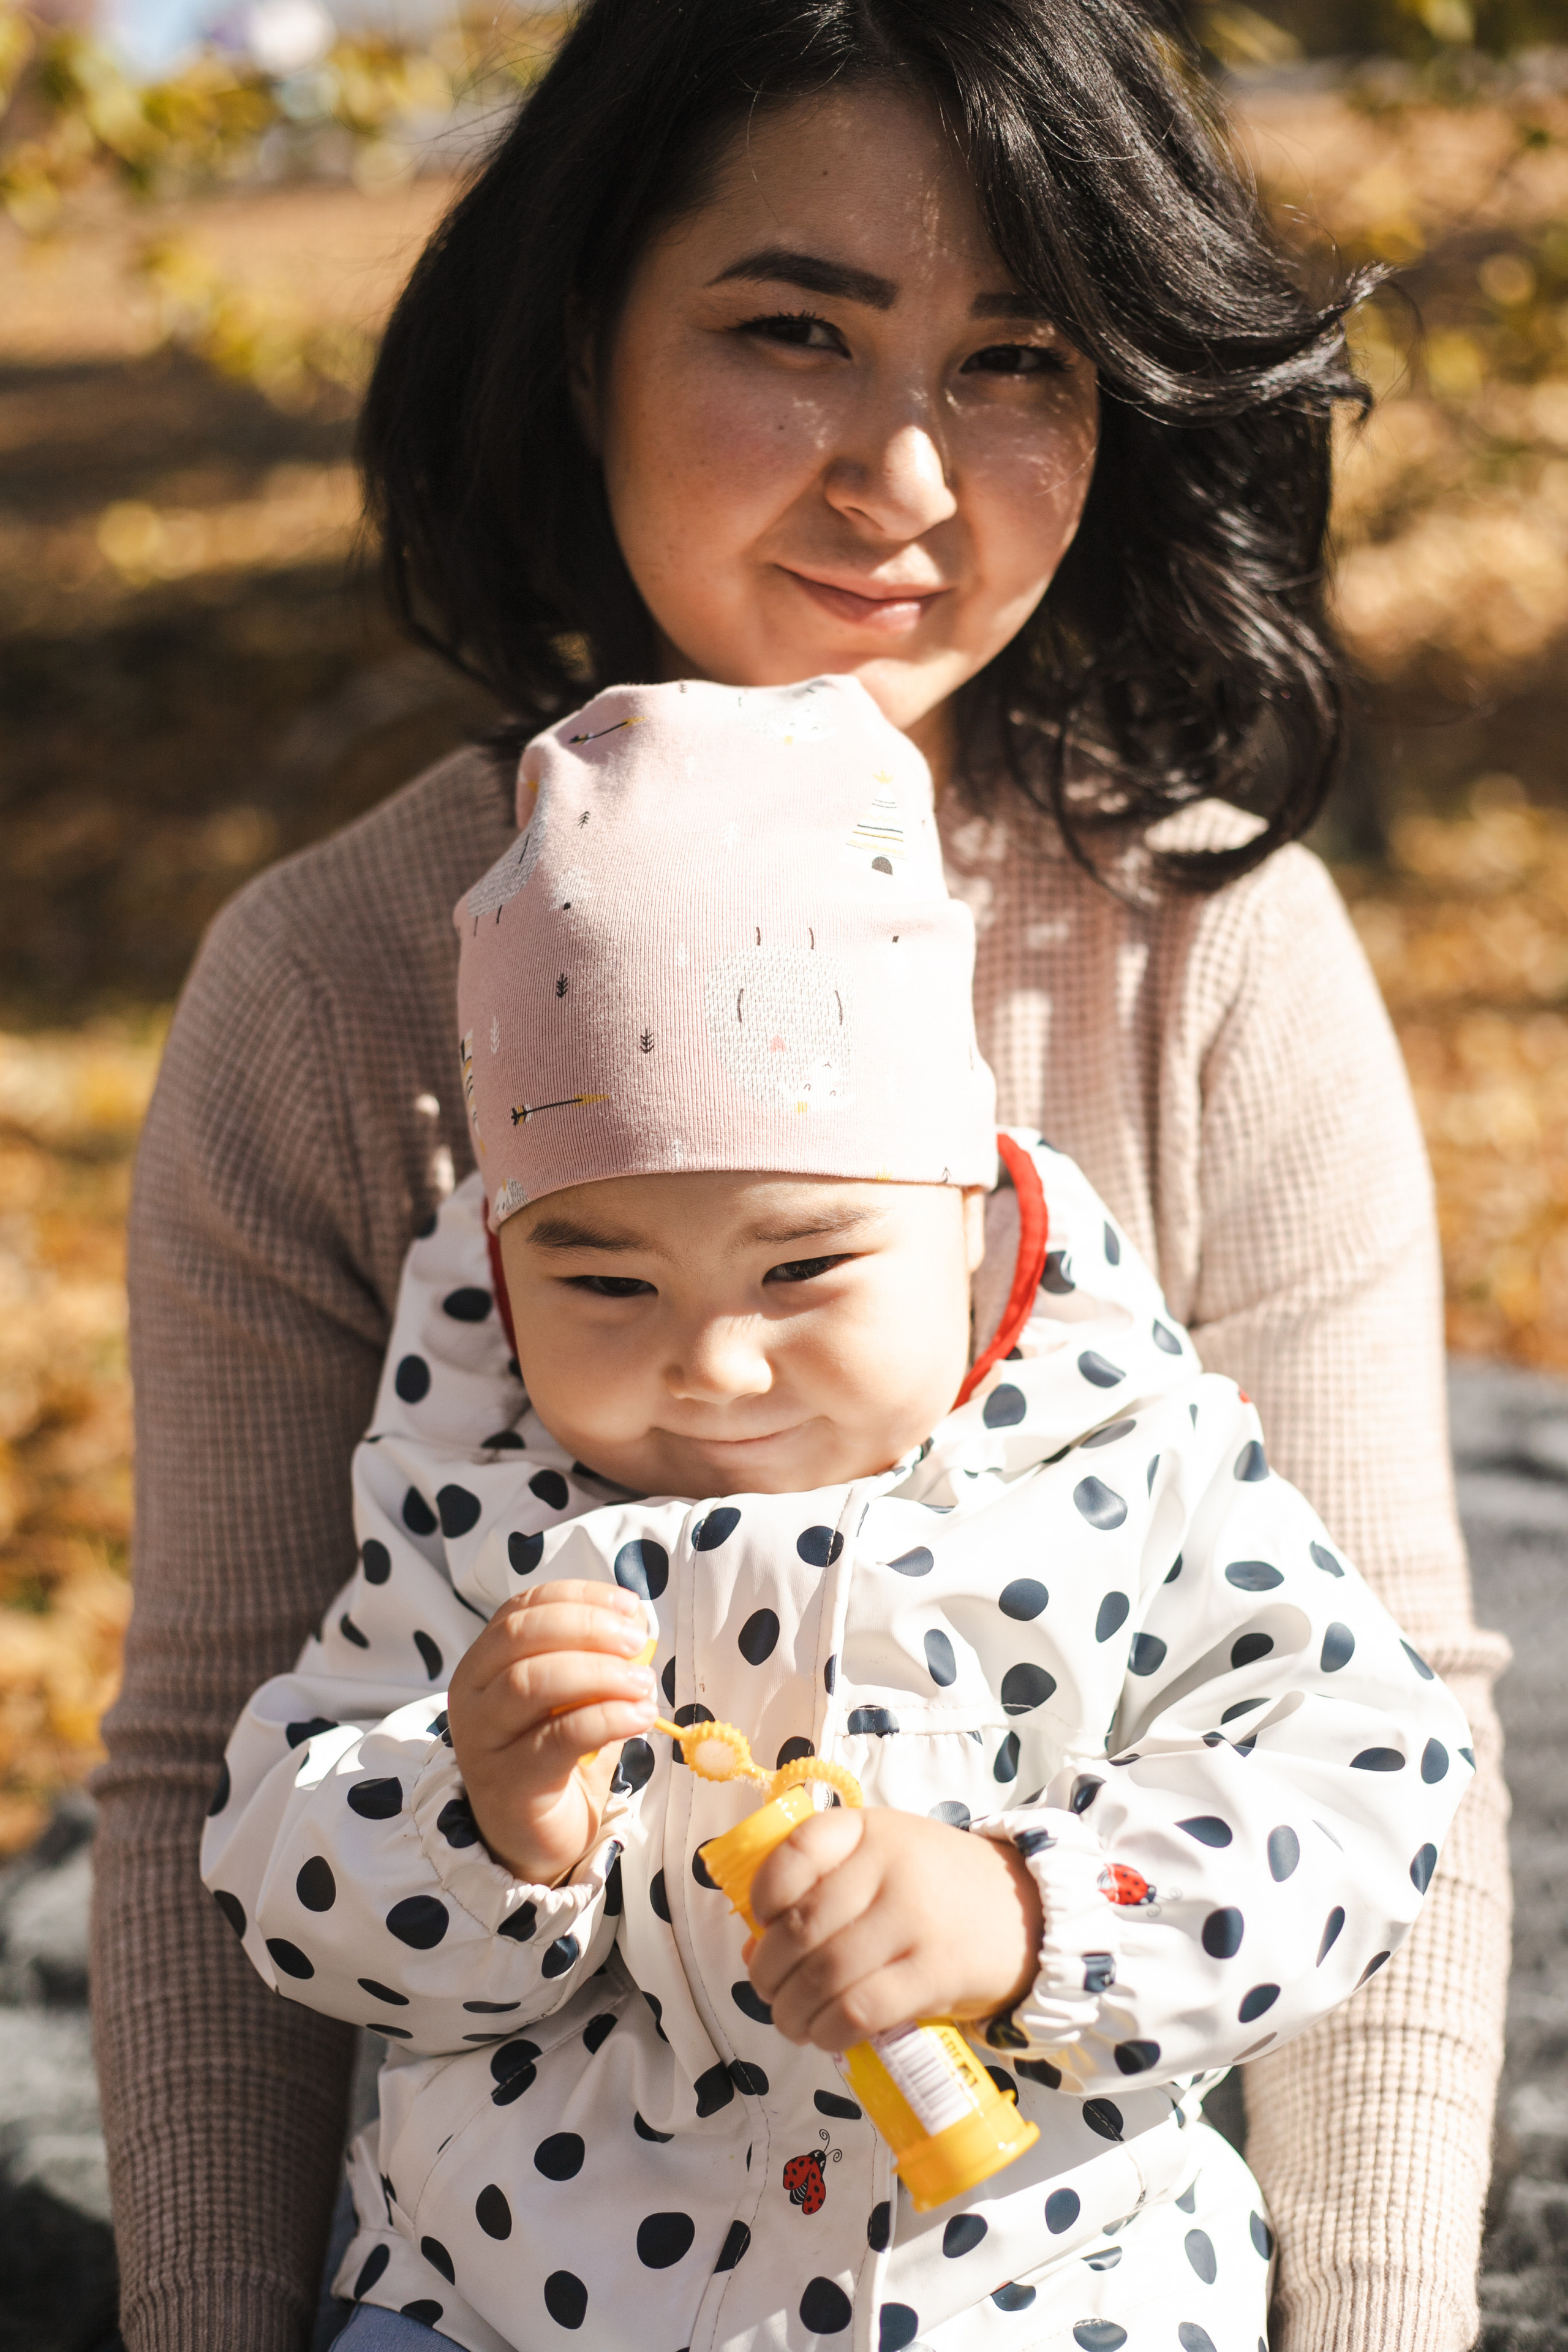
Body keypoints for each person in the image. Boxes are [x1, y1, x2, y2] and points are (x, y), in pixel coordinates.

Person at [94, 6, 1512, 2350]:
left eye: (1018, 361)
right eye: (791, 333)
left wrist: (1375, 2316)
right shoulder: (335, 989)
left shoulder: (1211, 964)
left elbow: (1382, 1710)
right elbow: (211, 1760)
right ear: (582, 345)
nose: (907, 478)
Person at [202, 677, 1473, 2352]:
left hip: (1022, 2289)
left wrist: (1032, 1916)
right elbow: (277, 1866)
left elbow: (1364, 1773)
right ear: (506, 1265)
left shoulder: (1121, 1462)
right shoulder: (474, 1489)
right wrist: (478, 1818)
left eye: (805, 1266)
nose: (715, 1363)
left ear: (962, 1218)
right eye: (602, 1279)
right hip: (512, 2288)